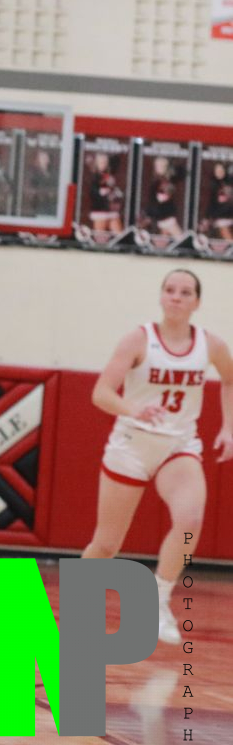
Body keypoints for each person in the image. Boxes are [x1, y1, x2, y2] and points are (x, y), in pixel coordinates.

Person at [84, 270, 233, 642]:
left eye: (185, 292)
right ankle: (77, 610)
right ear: (161, 296)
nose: (176, 297)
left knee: (190, 520)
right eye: (170, 290)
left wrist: (228, 428)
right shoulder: (139, 339)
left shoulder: (211, 345)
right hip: (132, 444)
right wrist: (134, 409)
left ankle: (157, 598)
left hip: (178, 445)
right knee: (106, 544)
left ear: (197, 302)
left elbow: (230, 380)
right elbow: (101, 393)